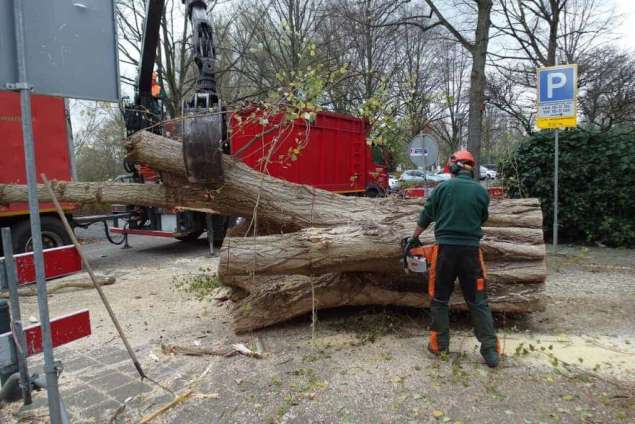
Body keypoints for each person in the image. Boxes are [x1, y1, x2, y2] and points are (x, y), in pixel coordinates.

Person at [408, 150, 500, 367]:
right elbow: (482, 218)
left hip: (445, 253)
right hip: (471, 253)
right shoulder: (481, 192)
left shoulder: (443, 188)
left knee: (440, 298)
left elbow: (426, 216)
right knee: (478, 301)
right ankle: (490, 351)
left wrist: (414, 238)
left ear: (456, 166)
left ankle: (439, 345)